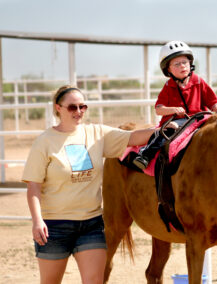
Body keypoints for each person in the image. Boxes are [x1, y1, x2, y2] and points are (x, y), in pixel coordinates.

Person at [22, 85, 176, 284]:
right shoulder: (44, 142)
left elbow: (132, 138)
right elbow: (33, 186)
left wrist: (161, 130)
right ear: (58, 108)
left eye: (82, 107)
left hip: (91, 225)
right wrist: (37, 220)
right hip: (55, 226)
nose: (78, 112)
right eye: (72, 107)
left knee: (95, 280)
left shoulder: (97, 134)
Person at [133, 40, 217, 170]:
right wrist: (173, 110)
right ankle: (146, 154)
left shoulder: (198, 81)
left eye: (185, 62)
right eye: (177, 64)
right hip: (178, 122)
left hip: (199, 118)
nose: (182, 66)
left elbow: (211, 101)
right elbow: (159, 110)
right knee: (169, 131)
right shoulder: (168, 86)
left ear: (190, 64)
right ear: (168, 69)